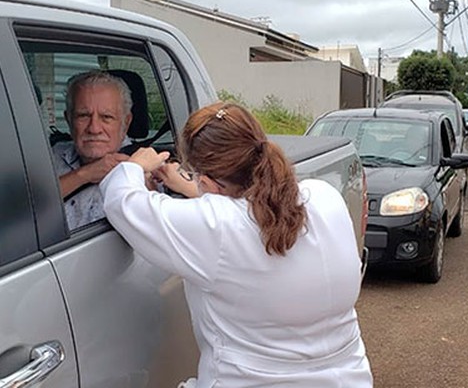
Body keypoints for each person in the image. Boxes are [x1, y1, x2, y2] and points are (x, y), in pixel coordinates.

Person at [99, 102, 373, 388]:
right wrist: (191, 186)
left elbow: (122, 202)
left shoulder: (218, 230)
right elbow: (254, 209)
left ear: (210, 183)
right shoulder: (325, 197)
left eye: (196, 178)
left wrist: (135, 166)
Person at [52, 70, 132, 230]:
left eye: (106, 117)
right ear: (69, 120)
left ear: (126, 122)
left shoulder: (141, 167)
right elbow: (21, 207)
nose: (94, 128)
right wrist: (85, 175)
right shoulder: (53, 156)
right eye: (83, 116)